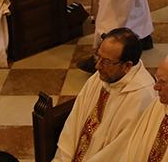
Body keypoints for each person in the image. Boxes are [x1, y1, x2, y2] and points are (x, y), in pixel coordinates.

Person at [52, 28, 156, 162]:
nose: (97, 66)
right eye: (98, 56)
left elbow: (118, 151)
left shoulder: (142, 97)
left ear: (127, 66)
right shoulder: (102, 76)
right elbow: (74, 122)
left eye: (106, 62)